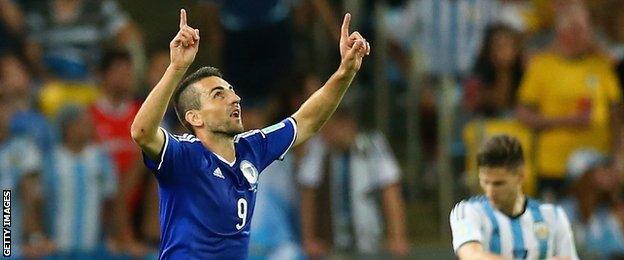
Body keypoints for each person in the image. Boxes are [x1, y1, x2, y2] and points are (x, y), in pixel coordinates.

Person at [130, 9, 370, 259]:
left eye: (231, 91)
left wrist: (345, 72)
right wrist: (177, 68)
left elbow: (307, 121)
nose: (234, 99)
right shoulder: (183, 155)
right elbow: (142, 132)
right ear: (194, 117)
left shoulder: (251, 148)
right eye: (219, 95)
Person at [516, 3, 622, 200]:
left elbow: (616, 116)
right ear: (563, 33)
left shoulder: (601, 66)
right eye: (577, 29)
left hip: (598, 165)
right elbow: (523, 114)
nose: (585, 34)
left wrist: (618, 160)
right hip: (554, 166)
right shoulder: (541, 66)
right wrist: (564, 121)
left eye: (586, 28)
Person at [450, 135, 579, 259]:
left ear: (521, 175)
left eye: (498, 183)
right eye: (485, 182)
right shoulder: (467, 211)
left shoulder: (553, 216)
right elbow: (472, 256)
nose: (490, 192)